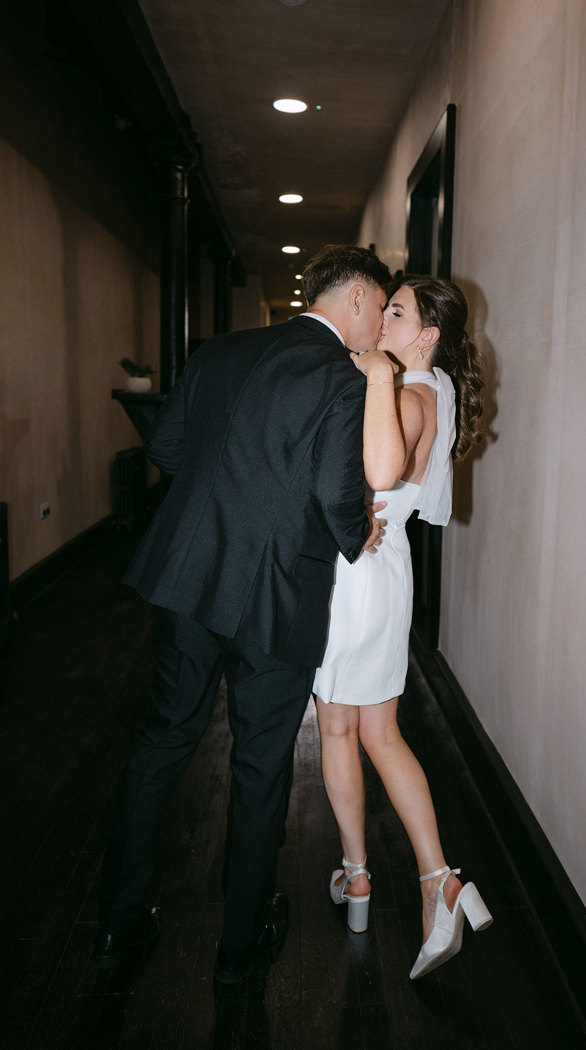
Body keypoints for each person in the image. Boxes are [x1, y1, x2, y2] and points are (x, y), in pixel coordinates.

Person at [93, 244, 392, 983]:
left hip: (190, 580)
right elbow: (332, 493)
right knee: (260, 765)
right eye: (382, 309)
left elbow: (165, 444)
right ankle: (238, 947)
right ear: (353, 298)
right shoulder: (339, 377)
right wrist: (364, 531)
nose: (381, 327)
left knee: (164, 737)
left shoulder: (219, 350)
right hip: (276, 595)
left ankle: (115, 925)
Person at [313, 274, 493, 979]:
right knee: (382, 734)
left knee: (337, 729)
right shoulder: (438, 391)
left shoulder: (406, 393)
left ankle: (358, 876)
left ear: (428, 335)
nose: (382, 317)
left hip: (355, 573)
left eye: (396, 310)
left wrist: (371, 374)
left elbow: (375, 471)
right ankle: (436, 878)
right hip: (387, 577)